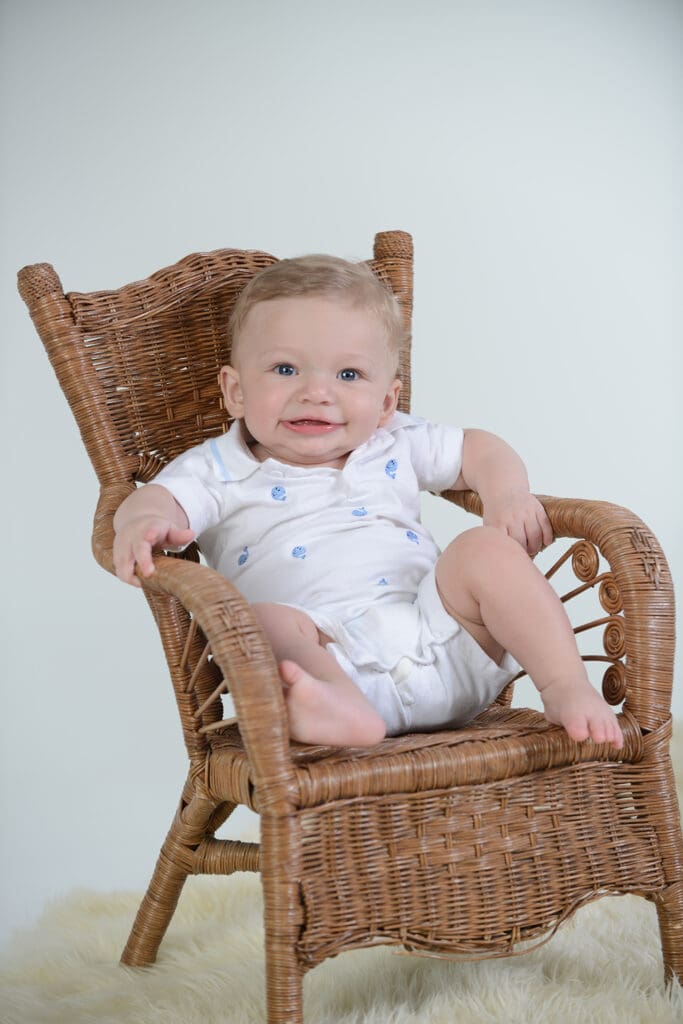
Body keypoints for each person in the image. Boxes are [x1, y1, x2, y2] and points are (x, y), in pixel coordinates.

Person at [113, 255, 623, 751]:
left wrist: (506, 492)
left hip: (446, 639)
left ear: (385, 402)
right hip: (327, 661)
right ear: (236, 390)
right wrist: (144, 522)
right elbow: (159, 499)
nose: (316, 392)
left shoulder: (393, 439)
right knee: (260, 621)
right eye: (285, 368)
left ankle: (563, 685)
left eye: (349, 375)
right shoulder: (218, 469)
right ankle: (339, 713)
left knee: (482, 549)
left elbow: (478, 449)